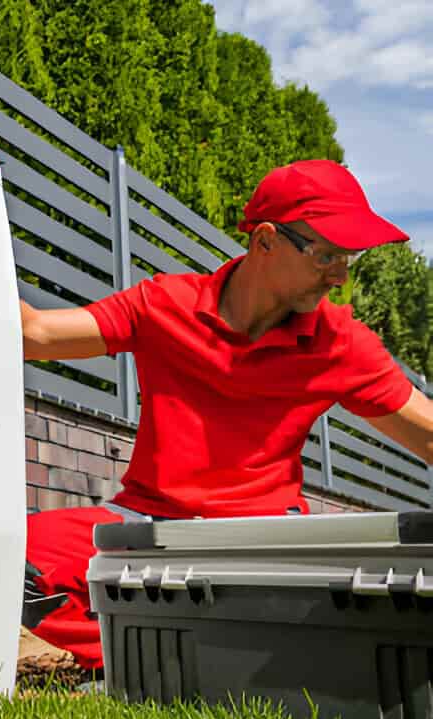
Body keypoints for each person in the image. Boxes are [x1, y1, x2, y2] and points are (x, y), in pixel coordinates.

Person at [21, 159, 433, 669]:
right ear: (265, 241)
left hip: (263, 540)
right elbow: (34, 335)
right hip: (147, 525)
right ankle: (142, 660)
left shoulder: (340, 343)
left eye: (349, 258)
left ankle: (163, 657)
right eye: (326, 255)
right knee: (15, 558)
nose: (341, 275)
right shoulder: (162, 305)